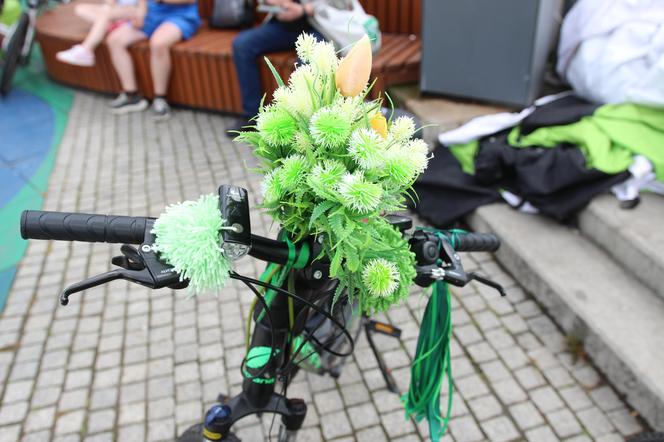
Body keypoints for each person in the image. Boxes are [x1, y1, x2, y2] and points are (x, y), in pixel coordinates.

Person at [228, 0, 322, 134]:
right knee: (242, 45)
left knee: (306, 61)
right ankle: (252, 116)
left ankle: (307, 123)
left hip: (319, 27)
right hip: (284, 27)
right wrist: (277, 3)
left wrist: (305, 10)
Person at [104, 0, 200, 120]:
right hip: (152, 15)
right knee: (114, 40)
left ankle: (160, 98)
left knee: (158, 43)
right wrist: (140, 14)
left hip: (180, 15)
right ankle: (131, 95)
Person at [56, 0, 139, 67]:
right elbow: (110, 3)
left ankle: (86, 50)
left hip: (135, 9)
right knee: (81, 9)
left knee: (105, 15)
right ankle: (112, 24)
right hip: (118, 9)